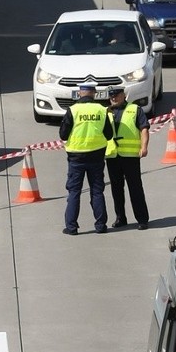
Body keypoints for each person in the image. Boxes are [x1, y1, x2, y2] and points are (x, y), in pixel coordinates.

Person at [59, 79, 113, 235]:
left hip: (76, 158)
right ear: (94, 94)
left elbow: (63, 134)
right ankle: (101, 226)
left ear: (80, 93)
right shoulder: (102, 110)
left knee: (74, 192)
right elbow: (109, 135)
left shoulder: (73, 110)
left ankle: (71, 227)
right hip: (96, 156)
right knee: (97, 191)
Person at [105, 86, 150, 230]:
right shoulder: (106, 112)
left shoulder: (135, 109)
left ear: (123, 95)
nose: (113, 98)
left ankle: (142, 219)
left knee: (135, 188)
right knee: (116, 189)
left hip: (130, 156)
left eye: (116, 95)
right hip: (113, 155)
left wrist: (144, 147)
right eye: (111, 96)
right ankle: (120, 218)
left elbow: (144, 128)